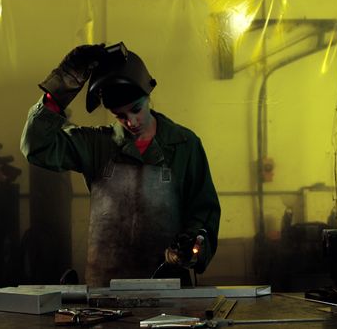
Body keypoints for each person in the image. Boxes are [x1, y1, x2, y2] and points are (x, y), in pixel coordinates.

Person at [20, 42, 221, 287]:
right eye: (120, 115)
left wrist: (196, 241)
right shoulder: (96, 145)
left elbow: (203, 211)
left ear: (149, 94)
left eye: (136, 109)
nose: (131, 121)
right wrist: (62, 86)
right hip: (104, 295)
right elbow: (36, 145)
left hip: (170, 291)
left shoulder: (185, 145)